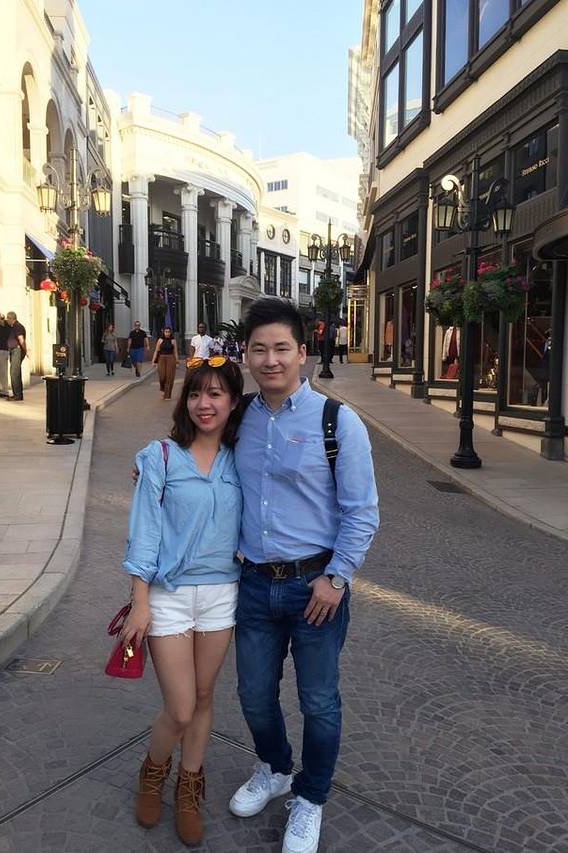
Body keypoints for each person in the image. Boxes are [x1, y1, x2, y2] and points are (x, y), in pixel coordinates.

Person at [228, 297, 379, 853]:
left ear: (302, 352)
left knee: (318, 701)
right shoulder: (238, 416)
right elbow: (196, 453)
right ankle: (274, 768)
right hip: (252, 583)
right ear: (245, 355)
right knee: (253, 695)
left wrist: (336, 579)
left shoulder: (337, 421)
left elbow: (362, 511)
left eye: (281, 348)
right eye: (259, 349)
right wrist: (154, 467)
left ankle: (310, 797)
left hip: (316, 587)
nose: (270, 360)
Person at [120, 357, 244, 847]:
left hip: (221, 595)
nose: (203, 404)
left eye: (215, 394)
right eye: (195, 394)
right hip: (168, 597)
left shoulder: (243, 459)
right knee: (181, 706)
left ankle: (189, 786)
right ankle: (153, 770)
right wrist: (140, 601)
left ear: (233, 402)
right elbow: (144, 532)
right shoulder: (161, 458)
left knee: (205, 697)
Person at [5, 312, 28, 401]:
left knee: (14, 373)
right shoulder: (13, 326)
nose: (7, 320)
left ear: (11, 318)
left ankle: (17, 395)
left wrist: (26, 350)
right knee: (16, 372)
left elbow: (21, 339)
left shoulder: (18, 326)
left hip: (17, 350)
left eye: (8, 318)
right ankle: (18, 394)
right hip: (14, 351)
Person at [151, 327, 179, 400]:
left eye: (168, 332)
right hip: (161, 359)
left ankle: (167, 395)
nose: (167, 333)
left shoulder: (173, 341)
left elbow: (175, 352)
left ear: (170, 333)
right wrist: (153, 361)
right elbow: (156, 351)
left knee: (169, 377)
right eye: (166, 332)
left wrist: (177, 361)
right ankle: (163, 388)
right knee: (162, 377)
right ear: (163, 332)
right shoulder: (160, 340)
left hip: (170, 359)